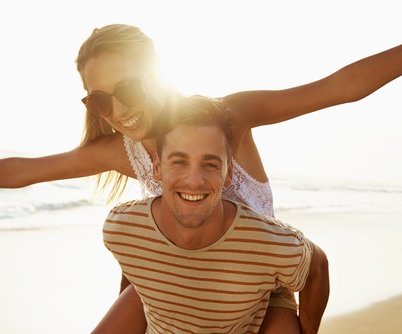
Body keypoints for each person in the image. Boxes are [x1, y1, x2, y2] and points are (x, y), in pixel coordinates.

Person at [0, 0, 402, 332]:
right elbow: (25, 170)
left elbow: (340, 87)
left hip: (254, 282)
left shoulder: (223, 118)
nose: (118, 108)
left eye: (129, 86)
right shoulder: (120, 152)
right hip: (176, 281)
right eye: (101, 98)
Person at [97, 94, 329, 333]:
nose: (194, 182)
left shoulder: (267, 244)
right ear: (156, 166)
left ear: (228, 172)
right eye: (179, 161)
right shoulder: (122, 227)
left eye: (210, 164)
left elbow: (317, 267)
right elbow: (133, 265)